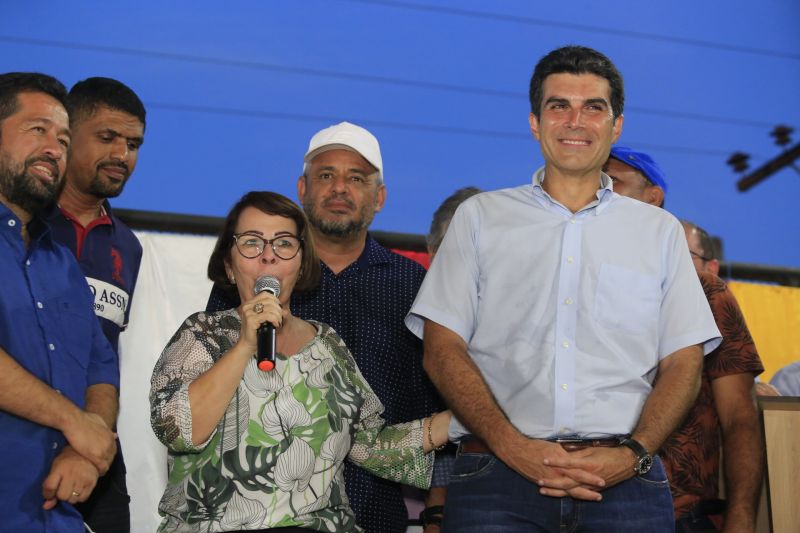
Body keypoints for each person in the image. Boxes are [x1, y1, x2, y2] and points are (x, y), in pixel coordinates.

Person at [406, 45, 722, 532]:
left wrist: (633, 454)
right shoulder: (480, 219)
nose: (576, 121)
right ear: (535, 122)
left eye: (593, 107)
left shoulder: (658, 232)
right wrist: (515, 449)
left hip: (626, 484)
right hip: (495, 476)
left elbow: (684, 361)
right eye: (559, 106)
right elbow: (441, 349)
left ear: (616, 126)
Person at [150, 191, 450, 532]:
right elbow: (176, 430)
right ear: (230, 267)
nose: (268, 257)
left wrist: (458, 421)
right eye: (251, 243)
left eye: (283, 243)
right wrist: (246, 344)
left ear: (302, 262)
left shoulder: (328, 345)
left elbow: (370, 445)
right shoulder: (203, 334)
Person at [207, 122, 442, 532]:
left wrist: (437, 511)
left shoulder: (414, 286)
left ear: (380, 197)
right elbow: (205, 386)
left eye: (357, 178)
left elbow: (434, 406)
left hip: (375, 513)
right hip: (255, 510)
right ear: (302, 189)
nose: (340, 189)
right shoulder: (254, 275)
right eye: (326, 176)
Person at [606, 146, 765, 531]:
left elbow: (740, 417)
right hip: (579, 507)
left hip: (680, 514)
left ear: (653, 197)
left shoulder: (704, 290)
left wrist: (741, 517)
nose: (602, 192)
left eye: (614, 182)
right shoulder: (571, 288)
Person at [0, 72, 119, 530]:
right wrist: (77, 424)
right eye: (38, 130)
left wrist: (85, 455)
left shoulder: (62, 264)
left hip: (58, 518)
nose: (54, 148)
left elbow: (100, 369)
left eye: (64, 140)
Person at [44, 76, 146, 532]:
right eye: (107, 137)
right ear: (67, 134)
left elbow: (101, 353)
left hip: (96, 443)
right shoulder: (26, 222)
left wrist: (93, 438)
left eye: (133, 143)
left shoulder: (128, 245)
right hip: (23, 433)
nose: (121, 155)